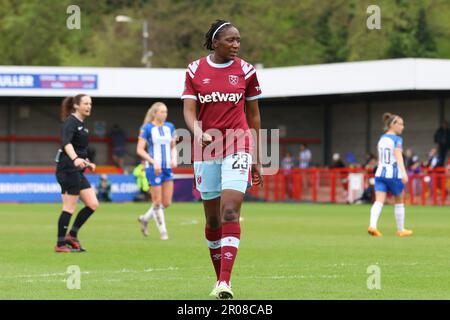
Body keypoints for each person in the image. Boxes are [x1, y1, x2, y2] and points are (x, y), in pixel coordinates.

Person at [182, 19, 263, 300]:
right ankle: (219, 280)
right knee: (213, 219)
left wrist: (256, 155)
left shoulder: (247, 71)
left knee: (231, 211)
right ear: (215, 42)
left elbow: (253, 116)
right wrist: (197, 131)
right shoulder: (195, 70)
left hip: (238, 145)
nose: (236, 45)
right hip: (205, 150)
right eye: (231, 40)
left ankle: (225, 282)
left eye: (239, 40)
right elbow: (189, 111)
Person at [54, 94, 98, 253]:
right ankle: (60, 244)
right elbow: (66, 143)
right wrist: (75, 159)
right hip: (67, 169)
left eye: (90, 104)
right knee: (69, 207)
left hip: (77, 169)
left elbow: (79, 150)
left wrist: (86, 162)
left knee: (92, 204)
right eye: (86, 103)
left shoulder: (82, 125)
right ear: (76, 106)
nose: (89, 106)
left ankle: (71, 235)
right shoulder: (71, 122)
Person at [136, 102, 177, 240]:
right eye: (161, 112)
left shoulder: (170, 127)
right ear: (154, 113)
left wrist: (174, 158)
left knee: (166, 203)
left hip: (167, 167)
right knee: (157, 201)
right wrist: (153, 162)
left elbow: (173, 146)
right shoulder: (147, 128)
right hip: (153, 167)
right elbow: (139, 149)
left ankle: (144, 218)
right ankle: (163, 232)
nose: (164, 114)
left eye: (165, 112)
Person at [368, 113, 412, 237]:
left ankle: (373, 226)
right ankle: (401, 229)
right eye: (401, 124)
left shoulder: (382, 138)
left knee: (378, 201)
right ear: (392, 125)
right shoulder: (397, 139)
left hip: (380, 173)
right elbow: (398, 156)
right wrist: (404, 173)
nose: (403, 127)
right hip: (393, 174)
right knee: (399, 200)